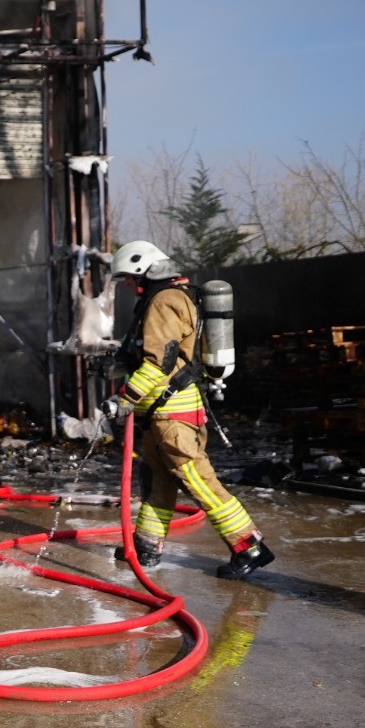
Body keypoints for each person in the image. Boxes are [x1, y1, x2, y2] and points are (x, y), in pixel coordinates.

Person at [102, 239, 275, 580]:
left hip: (174, 416)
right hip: (159, 416)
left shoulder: (165, 302)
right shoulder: (162, 298)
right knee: (157, 482)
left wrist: (125, 398)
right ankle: (148, 547)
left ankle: (249, 545)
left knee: (198, 481)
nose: (125, 284)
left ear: (142, 270)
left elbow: (159, 361)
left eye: (126, 277)